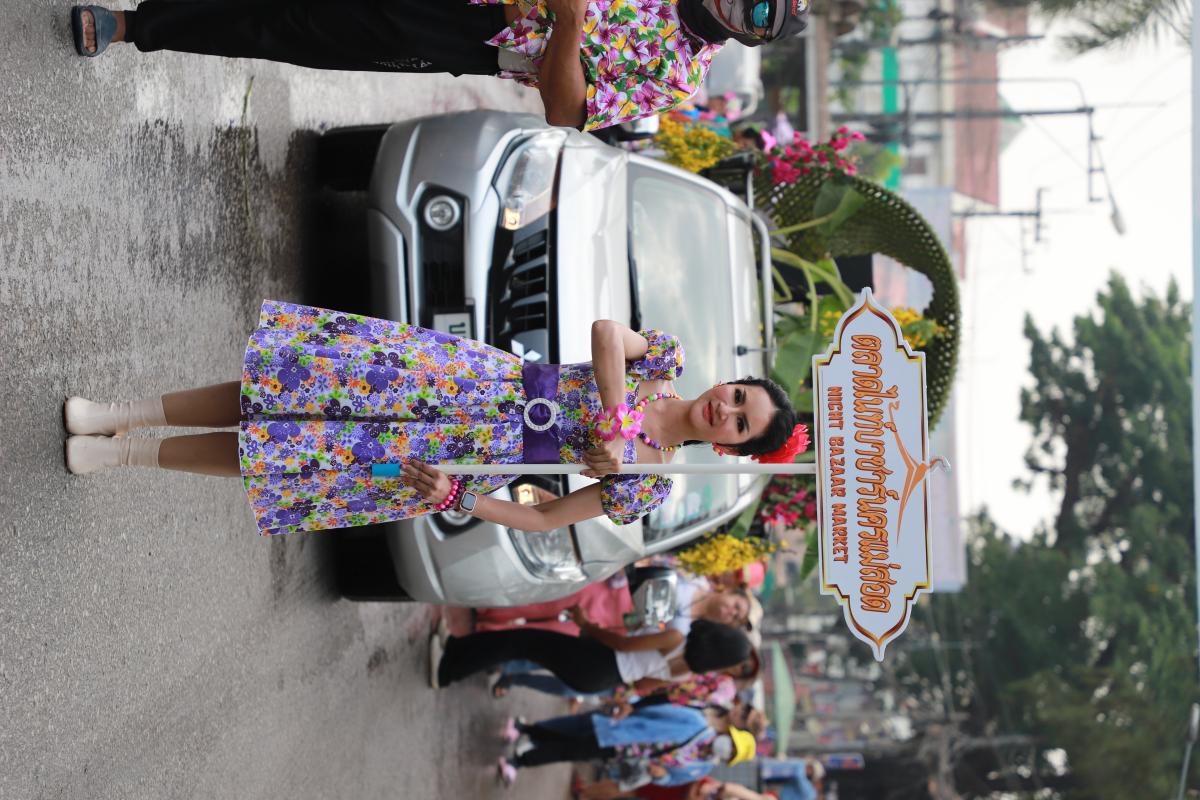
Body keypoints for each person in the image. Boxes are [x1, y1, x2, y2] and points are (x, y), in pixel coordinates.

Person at [64, 301, 805, 537]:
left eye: (739, 425)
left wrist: (455, 497)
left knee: (291, 453)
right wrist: (614, 418)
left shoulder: (647, 484)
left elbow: (543, 520)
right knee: (288, 387)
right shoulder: (662, 361)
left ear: (730, 449)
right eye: (740, 396)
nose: (727, 410)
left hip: (462, 456)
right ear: (731, 382)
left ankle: (121, 456)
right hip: (460, 380)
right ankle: (120, 414)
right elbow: (608, 333)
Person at [69, 0, 810, 131]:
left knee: (299, 27)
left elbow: (566, 110)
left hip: (467, 31)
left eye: (758, 13)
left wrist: (570, 23)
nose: (741, 3)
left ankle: (134, 26)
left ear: (748, 37)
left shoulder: (676, 75)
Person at [435, 613, 753, 694]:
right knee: (522, 644)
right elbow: (642, 685)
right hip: (601, 679)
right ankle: (453, 650)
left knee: (520, 642)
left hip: (601, 660)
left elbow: (624, 646)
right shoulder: (688, 671)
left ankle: (448, 669)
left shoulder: (676, 638)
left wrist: (587, 624)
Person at [498, 700, 755, 788]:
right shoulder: (696, 721)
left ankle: (518, 761)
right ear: (728, 735)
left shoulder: (701, 767)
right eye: (732, 745)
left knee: (568, 751)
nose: (727, 750)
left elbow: (673, 780)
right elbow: (658, 711)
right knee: (570, 730)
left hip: (619, 753)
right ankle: (525, 730)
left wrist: (662, 776)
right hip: (622, 730)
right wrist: (628, 709)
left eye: (732, 754)